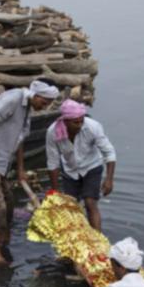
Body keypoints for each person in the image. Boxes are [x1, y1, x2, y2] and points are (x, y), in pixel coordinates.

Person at [0, 79, 59, 265]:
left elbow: (20, 139)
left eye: (49, 104)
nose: (46, 106)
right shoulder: (14, 98)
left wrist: (21, 169)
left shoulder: (28, 109)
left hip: (2, 159)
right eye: (44, 102)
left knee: (9, 199)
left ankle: (4, 233)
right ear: (36, 95)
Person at [45, 99, 116, 231]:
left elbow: (109, 152)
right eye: (75, 122)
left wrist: (109, 179)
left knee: (90, 203)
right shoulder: (52, 132)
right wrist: (54, 192)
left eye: (81, 121)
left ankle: (97, 242)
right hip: (70, 170)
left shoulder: (92, 127)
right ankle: (78, 241)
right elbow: (53, 162)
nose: (79, 125)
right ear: (65, 121)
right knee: (72, 207)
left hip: (92, 166)